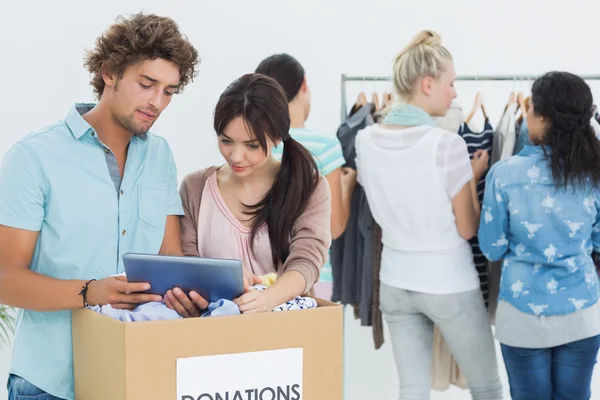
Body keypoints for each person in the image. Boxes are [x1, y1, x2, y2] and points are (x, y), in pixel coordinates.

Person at [0, 13, 199, 400]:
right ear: (109, 72)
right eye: (147, 84)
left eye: (169, 91)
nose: (157, 102)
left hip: (138, 375)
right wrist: (91, 292)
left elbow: (170, 259)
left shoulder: (160, 156)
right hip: (52, 383)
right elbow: (5, 278)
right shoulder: (33, 157)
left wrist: (186, 297)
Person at [354, 30, 503, 399]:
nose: (454, 93)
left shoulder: (365, 140)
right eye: (451, 83)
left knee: (413, 390)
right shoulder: (447, 145)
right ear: (427, 83)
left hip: (395, 282)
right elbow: (468, 227)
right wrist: (472, 178)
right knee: (486, 387)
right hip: (447, 282)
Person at [167, 73, 332, 317]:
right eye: (226, 141)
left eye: (251, 145)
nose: (236, 156)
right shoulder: (195, 188)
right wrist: (222, 276)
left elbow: (307, 261)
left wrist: (266, 299)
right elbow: (190, 265)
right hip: (213, 329)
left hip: (285, 330)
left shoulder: (309, 186)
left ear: (277, 137)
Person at [479, 71, 600, 400]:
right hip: (582, 313)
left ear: (543, 117)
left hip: (522, 316)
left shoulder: (503, 175)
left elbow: (491, 248)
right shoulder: (595, 173)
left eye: (530, 109)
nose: (526, 116)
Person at [255, 53, 356, 299]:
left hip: (260, 278)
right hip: (314, 277)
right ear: (304, 85)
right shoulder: (325, 146)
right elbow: (335, 227)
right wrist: (349, 185)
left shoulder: (254, 143)